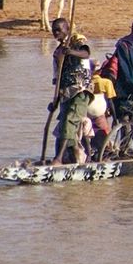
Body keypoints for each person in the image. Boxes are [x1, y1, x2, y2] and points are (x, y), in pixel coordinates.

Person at [49, 18, 93, 166]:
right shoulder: (57, 52)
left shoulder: (76, 41)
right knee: (64, 125)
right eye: (53, 30)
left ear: (67, 30)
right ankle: (78, 156)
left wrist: (71, 52)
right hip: (65, 93)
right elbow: (57, 78)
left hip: (81, 90)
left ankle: (59, 159)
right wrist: (54, 101)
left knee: (70, 120)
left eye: (59, 30)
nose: (55, 33)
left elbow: (86, 53)